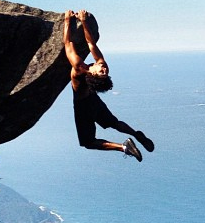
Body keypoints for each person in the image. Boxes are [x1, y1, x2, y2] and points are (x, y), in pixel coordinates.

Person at [63, 9, 154, 161]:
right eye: (104, 72)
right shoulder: (101, 63)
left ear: (92, 75)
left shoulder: (79, 68)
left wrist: (67, 20)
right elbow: (91, 43)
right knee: (114, 123)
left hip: (82, 107)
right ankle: (136, 134)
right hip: (93, 101)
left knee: (89, 142)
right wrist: (84, 21)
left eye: (102, 72)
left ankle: (124, 147)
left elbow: (68, 44)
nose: (104, 69)